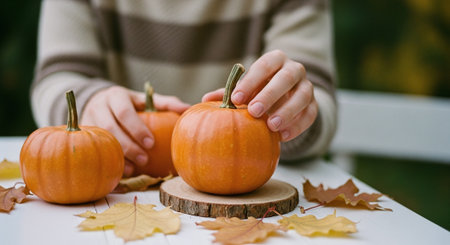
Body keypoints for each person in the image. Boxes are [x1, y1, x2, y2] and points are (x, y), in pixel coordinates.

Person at [31, 0, 337, 177]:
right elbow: (57, 77)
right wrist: (87, 103)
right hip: (119, 193)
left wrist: (292, 119)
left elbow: (315, 94)